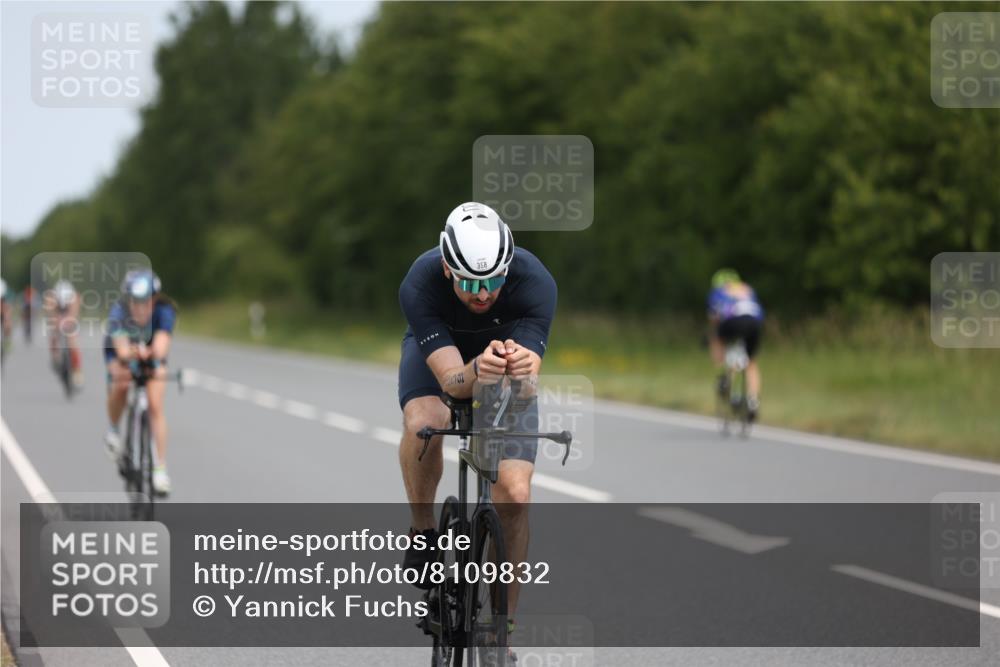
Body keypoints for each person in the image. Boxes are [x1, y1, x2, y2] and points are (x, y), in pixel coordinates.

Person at [397, 202, 556, 629]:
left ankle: (502, 629)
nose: (483, 293)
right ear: (447, 268)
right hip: (443, 357)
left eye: (494, 280)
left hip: (500, 365)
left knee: (515, 495)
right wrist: (476, 370)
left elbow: (527, 386)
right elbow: (452, 383)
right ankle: (423, 528)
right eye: (469, 282)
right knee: (426, 421)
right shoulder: (420, 283)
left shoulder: (536, 282)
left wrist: (519, 370)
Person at [103, 270, 177, 495]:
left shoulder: (165, 311)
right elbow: (122, 351)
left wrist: (150, 354)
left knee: (155, 404)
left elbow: (161, 348)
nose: (140, 307)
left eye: (145, 301)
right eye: (135, 301)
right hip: (121, 352)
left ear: (154, 299)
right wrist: (132, 354)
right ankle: (114, 430)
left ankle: (160, 469)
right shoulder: (118, 312)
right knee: (122, 382)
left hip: (150, 355)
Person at [707, 268, 764, 421]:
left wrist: (714, 339)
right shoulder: (747, 288)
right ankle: (753, 401)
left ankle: (723, 374)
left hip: (733, 321)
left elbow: (714, 317)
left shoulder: (718, 291)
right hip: (754, 323)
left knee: (717, 335)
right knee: (751, 362)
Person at [44, 279, 84, 388]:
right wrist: (56, 323)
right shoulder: (51, 298)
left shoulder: (74, 298)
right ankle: (55, 358)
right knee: (53, 336)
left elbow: (73, 314)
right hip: (58, 316)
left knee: (73, 342)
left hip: (69, 317)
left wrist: (69, 322)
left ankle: (77, 371)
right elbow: (51, 314)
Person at [1, 279, 11, 365]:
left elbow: (7, 316)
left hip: (3, 316)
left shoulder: (4, 304)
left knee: (7, 323)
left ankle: (5, 342)